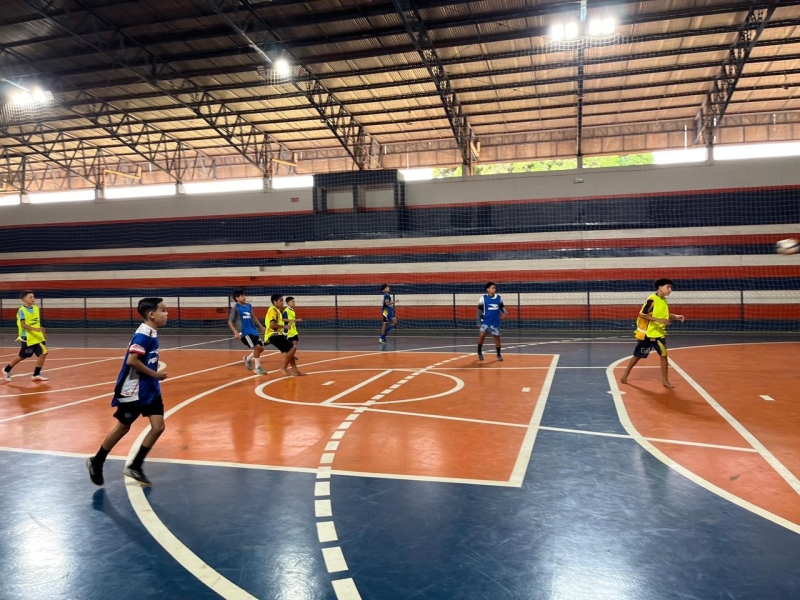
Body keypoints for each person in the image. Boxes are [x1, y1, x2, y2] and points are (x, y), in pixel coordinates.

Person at [85, 298, 170, 487]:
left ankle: (136, 466)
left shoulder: (152, 332)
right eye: (163, 310)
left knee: (158, 426)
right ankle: (97, 461)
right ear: (151, 314)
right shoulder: (143, 336)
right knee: (123, 427)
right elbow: (132, 360)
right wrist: (155, 374)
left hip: (149, 389)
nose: (167, 314)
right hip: (133, 390)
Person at [620, 278, 685, 388]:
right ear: (660, 287)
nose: (670, 289)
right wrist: (659, 320)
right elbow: (642, 314)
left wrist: (675, 317)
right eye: (668, 287)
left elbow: (663, 315)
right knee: (637, 356)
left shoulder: (663, 300)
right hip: (647, 334)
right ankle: (625, 374)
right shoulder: (652, 299)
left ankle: (665, 381)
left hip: (659, 334)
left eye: (671, 287)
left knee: (664, 355)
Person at [3, 290, 49, 382]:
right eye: (30, 297)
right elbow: (23, 324)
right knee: (23, 356)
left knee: (43, 353)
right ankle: (6, 369)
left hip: (37, 336)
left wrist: (42, 331)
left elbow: (36, 322)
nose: (33, 299)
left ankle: (36, 374)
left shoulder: (36, 308)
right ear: (24, 299)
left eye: (33, 297)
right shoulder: (22, 310)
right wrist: (35, 329)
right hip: (27, 337)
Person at [227, 289, 267, 375]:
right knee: (257, 348)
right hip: (244, 332)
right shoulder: (236, 308)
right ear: (237, 298)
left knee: (261, 348)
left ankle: (247, 359)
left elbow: (253, 317)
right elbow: (230, 321)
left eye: (244, 295)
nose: (244, 297)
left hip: (253, 330)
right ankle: (257, 368)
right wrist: (235, 332)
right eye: (242, 296)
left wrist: (261, 326)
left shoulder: (249, 306)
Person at [265, 294, 303, 376]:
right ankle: (283, 367)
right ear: (274, 301)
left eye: (283, 300)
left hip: (278, 334)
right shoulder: (272, 309)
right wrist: (284, 326)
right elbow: (272, 325)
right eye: (280, 300)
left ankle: (295, 370)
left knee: (290, 349)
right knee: (293, 348)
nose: (282, 302)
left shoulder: (278, 310)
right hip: (273, 334)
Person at [477, 282, 507, 362]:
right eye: (493, 288)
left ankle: (498, 354)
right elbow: (479, 311)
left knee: (497, 338)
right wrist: (478, 322)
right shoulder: (483, 298)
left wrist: (504, 312)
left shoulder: (499, 298)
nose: (494, 289)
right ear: (488, 289)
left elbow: (501, 307)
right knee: (482, 336)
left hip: (495, 322)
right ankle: (479, 351)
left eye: (495, 288)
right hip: (486, 321)